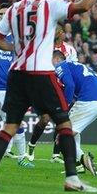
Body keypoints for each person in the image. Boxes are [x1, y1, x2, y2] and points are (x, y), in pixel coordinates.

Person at [0, 0, 97, 192]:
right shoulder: (50, 5)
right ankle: (72, 179)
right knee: (64, 124)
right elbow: (83, 6)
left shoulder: (12, 10)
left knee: (10, 126)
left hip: (17, 74)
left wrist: (18, 49)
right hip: (41, 73)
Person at [49, 50, 97, 175]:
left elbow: (70, 86)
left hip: (90, 100)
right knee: (71, 131)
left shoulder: (60, 66)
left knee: (62, 136)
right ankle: (79, 166)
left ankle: (83, 159)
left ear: (56, 59)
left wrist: (64, 106)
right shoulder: (77, 65)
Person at [28, 25, 79, 164]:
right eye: (60, 31)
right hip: (46, 87)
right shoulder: (44, 47)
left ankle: (55, 155)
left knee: (61, 120)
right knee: (44, 119)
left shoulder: (69, 49)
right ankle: (31, 147)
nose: (62, 33)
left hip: (62, 89)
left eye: (62, 31)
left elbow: (74, 68)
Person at [0, 4, 28, 164]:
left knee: (15, 123)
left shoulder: (17, 38)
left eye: (5, 13)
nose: (2, 16)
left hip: (11, 90)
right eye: (0, 13)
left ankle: (23, 157)